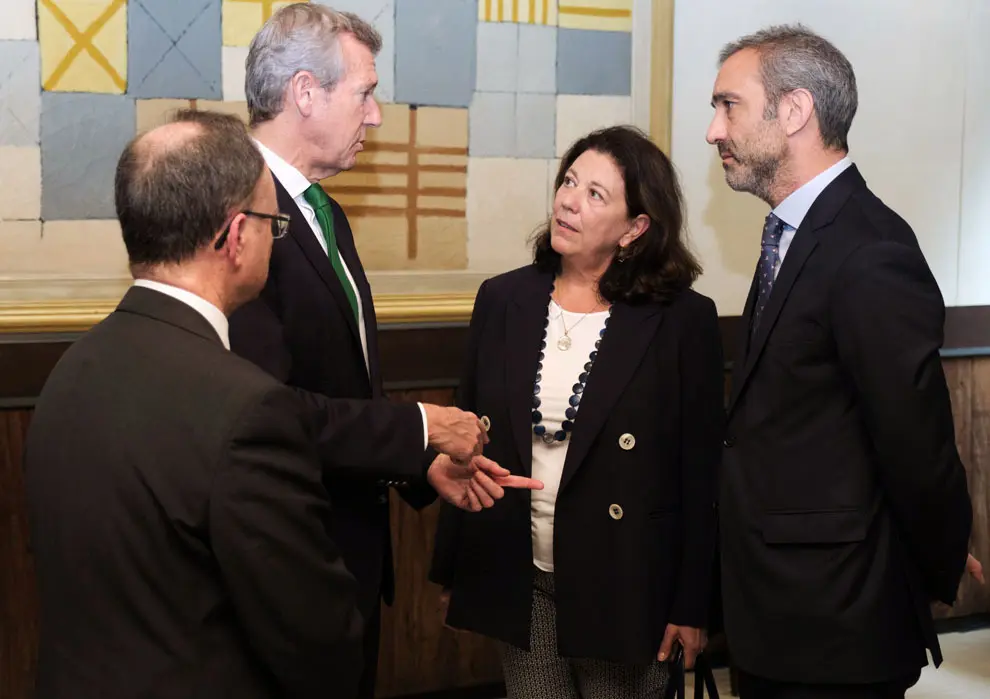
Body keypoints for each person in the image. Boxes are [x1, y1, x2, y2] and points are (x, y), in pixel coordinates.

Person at [226, 5, 542, 696]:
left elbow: (341, 383)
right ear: (305, 92)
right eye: (365, 93)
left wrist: (417, 466)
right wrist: (425, 428)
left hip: (340, 563)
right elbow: (266, 410)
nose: (375, 116)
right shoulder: (240, 215)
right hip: (286, 565)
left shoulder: (319, 208)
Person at [24, 110, 366, 698]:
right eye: (272, 223)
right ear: (235, 238)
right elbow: (318, 638)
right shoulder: (250, 410)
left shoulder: (72, 368)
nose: (272, 236)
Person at [706, 25, 973, 699]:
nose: (714, 131)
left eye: (728, 105)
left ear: (794, 112)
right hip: (777, 614)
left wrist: (934, 566)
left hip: (834, 627)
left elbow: (918, 446)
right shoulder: (794, 234)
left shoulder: (868, 250)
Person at [429, 125, 725, 699]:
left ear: (635, 228)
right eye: (569, 181)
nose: (568, 200)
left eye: (595, 194)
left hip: (626, 580)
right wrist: (455, 570)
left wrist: (693, 603)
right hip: (521, 573)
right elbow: (466, 440)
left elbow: (701, 475)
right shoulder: (503, 299)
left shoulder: (682, 320)